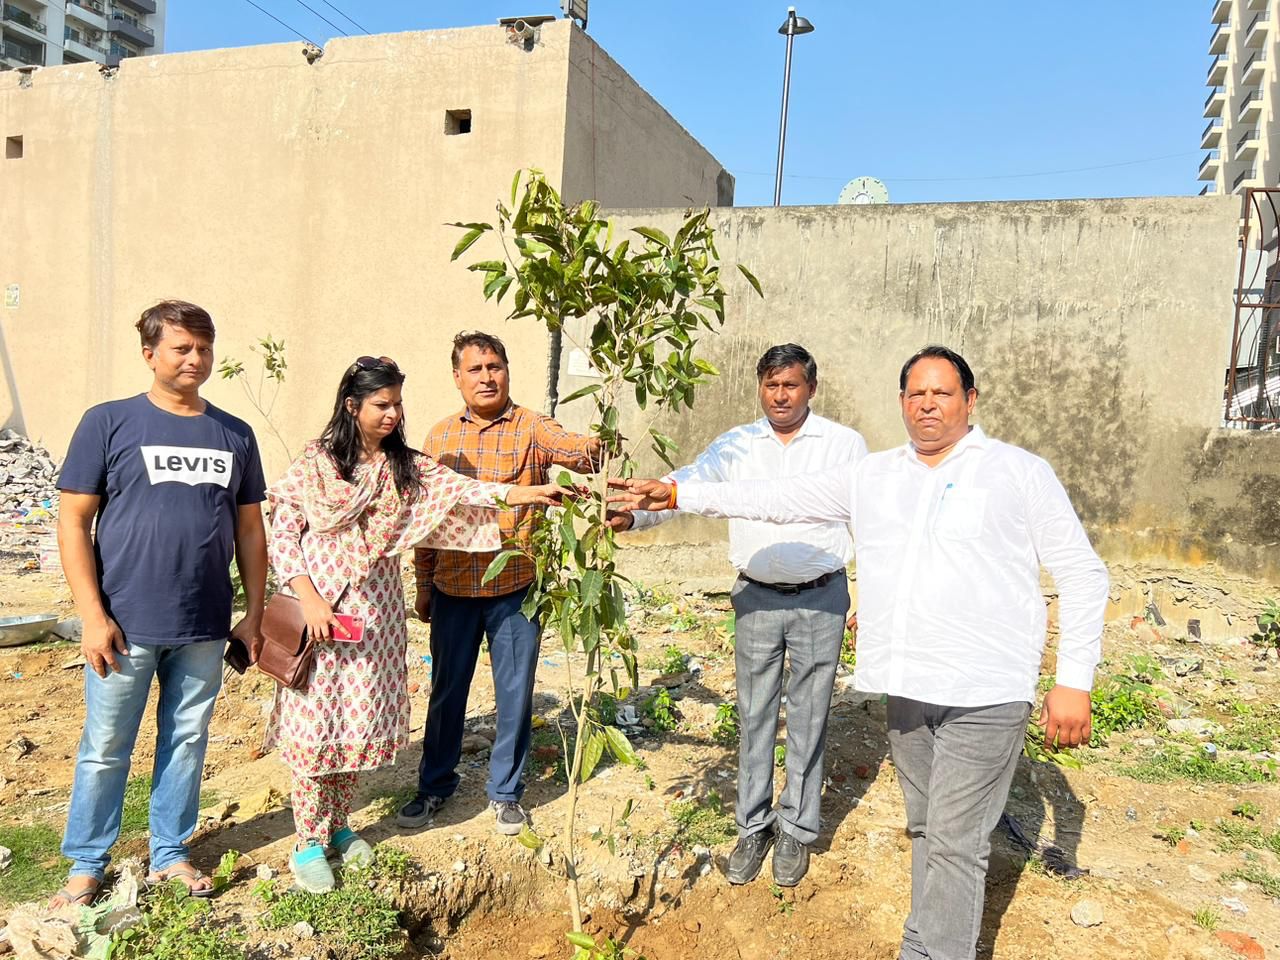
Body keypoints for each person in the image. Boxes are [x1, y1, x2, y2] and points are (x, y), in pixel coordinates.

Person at [613, 345, 1108, 960]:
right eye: (916, 394)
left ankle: (932, 951)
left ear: (969, 400)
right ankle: (922, 943)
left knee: (956, 842)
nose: (928, 404)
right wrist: (672, 496)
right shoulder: (874, 476)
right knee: (928, 829)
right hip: (907, 687)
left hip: (985, 691)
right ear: (901, 403)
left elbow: (1084, 575)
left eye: (942, 393)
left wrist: (1074, 680)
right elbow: (772, 497)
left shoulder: (1016, 471)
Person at [264, 355, 564, 892]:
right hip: (319, 614)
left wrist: (526, 493)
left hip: (374, 618)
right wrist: (308, 597)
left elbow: (464, 490)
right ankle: (307, 842)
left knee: (351, 724)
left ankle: (337, 828)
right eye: (382, 405)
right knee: (316, 728)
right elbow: (284, 531)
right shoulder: (317, 464)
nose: (393, 414)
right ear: (352, 406)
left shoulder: (406, 466)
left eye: (398, 404)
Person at [620, 344, 866, 886]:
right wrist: (634, 516)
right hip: (755, 596)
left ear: (811, 389)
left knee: (809, 716)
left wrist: (868, 594)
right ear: (760, 388)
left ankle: (798, 830)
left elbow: (866, 519)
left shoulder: (844, 445)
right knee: (755, 714)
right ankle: (753, 826)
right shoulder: (735, 445)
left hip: (820, 595)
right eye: (771, 385)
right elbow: (687, 486)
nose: (780, 396)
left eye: (791, 385)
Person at [54, 300, 268, 905]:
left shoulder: (234, 433)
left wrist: (252, 614)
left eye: (203, 347)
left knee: (187, 740)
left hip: (203, 623)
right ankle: (87, 862)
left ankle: (169, 853)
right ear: (149, 353)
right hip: (124, 624)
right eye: (181, 348)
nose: (194, 359)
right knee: (105, 747)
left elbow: (250, 531)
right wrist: (92, 617)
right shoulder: (109, 423)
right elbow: (72, 522)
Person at [398, 331, 600, 837]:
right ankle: (434, 787)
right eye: (475, 369)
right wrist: (423, 581)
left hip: (514, 589)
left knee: (515, 694)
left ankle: (506, 793)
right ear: (457, 378)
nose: (487, 377)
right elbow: (427, 516)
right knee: (447, 693)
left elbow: (576, 452)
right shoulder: (441, 437)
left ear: (507, 370)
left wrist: (600, 441)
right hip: (452, 589)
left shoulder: (531, 426)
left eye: (495, 366)